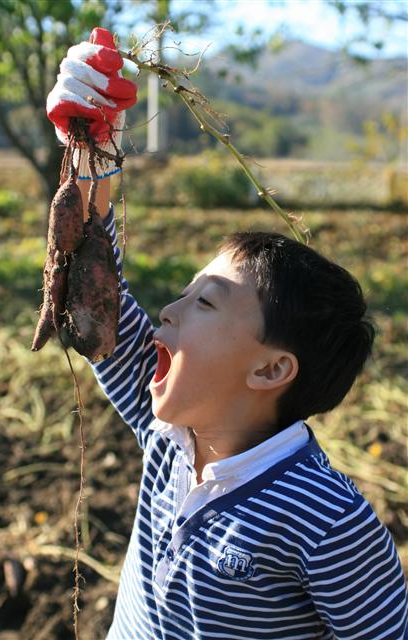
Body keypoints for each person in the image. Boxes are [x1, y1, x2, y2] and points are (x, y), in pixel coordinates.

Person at [47, 27, 408, 640]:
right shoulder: (170, 433)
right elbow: (94, 299)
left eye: (205, 303)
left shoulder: (325, 521)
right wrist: (91, 150)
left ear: (270, 369)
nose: (168, 311)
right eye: (184, 292)